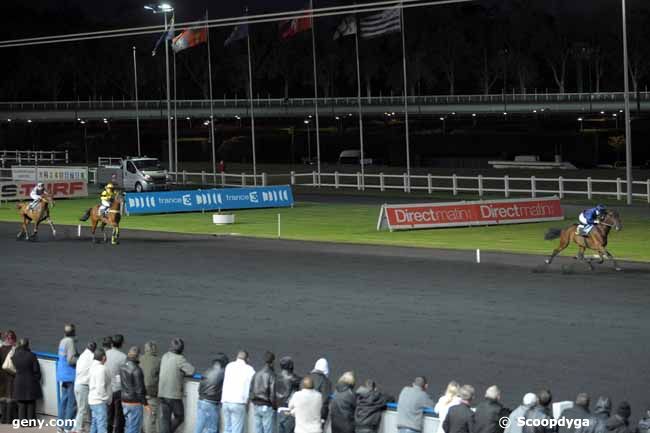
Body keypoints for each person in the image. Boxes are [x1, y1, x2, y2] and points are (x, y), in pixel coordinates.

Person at [158, 338, 195, 433]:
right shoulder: (180, 359)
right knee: (180, 416)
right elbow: (192, 371)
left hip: (162, 393)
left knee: (165, 419)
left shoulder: (165, 356)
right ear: (181, 349)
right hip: (173, 395)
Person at [221, 351, 255, 433]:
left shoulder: (229, 366)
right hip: (238, 402)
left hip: (225, 402)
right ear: (247, 359)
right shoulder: (249, 369)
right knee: (236, 430)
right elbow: (255, 382)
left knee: (227, 428)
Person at [195, 353, 229, 433]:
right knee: (211, 429)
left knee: (199, 426)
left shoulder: (207, 371)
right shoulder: (223, 372)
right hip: (211, 403)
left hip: (201, 400)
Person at [11, 338, 41, 422]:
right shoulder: (32, 355)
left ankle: (22, 422)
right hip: (30, 382)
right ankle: (31, 422)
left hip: (18, 381)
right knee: (31, 402)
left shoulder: (15, 356)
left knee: (21, 402)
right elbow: (36, 370)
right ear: (28, 345)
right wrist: (37, 378)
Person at [57, 324, 79, 433]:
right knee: (72, 402)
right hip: (70, 376)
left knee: (64, 401)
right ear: (74, 332)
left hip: (62, 374)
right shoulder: (70, 342)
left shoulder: (62, 341)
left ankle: (60, 426)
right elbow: (71, 360)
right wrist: (80, 360)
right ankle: (68, 427)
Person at [120, 347, 147, 433]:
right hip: (134, 402)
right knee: (134, 428)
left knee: (128, 426)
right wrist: (145, 403)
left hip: (124, 401)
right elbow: (140, 390)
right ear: (138, 356)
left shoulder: (122, 367)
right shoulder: (137, 370)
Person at [250, 352, 277, 433]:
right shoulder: (272, 375)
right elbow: (272, 394)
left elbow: (251, 390)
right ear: (272, 362)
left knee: (257, 430)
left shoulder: (256, 374)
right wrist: (274, 407)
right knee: (268, 430)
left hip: (256, 405)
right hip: (267, 406)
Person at [74, 341, 98, 433]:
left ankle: (75, 428)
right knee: (82, 410)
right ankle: (79, 429)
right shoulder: (92, 357)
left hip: (77, 384)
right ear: (94, 349)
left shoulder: (82, 355)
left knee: (80, 409)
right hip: (83, 386)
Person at [105, 335, 126, 433]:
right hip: (118, 389)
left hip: (106, 389)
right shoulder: (123, 357)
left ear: (112, 344)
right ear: (121, 344)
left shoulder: (105, 354)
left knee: (108, 414)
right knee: (119, 416)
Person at [276, 356, 301, 433]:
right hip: (290, 411)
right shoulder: (297, 380)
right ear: (291, 366)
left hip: (279, 410)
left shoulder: (275, 378)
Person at [89, 349, 112, 433]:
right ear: (103, 358)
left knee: (94, 424)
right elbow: (100, 388)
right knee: (102, 426)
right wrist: (106, 398)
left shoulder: (92, 366)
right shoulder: (101, 369)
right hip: (99, 402)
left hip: (92, 400)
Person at [140, 342, 161, 433]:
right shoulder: (158, 360)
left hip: (138, 394)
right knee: (150, 419)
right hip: (151, 394)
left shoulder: (139, 359)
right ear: (154, 349)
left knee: (140, 419)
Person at [0, 330, 17, 425]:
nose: (15, 341)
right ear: (10, 339)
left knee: (3, 398)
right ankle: (10, 420)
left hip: (2, 376)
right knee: (11, 398)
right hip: (11, 376)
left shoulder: (1, 348)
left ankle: (3, 419)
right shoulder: (13, 349)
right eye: (14, 339)